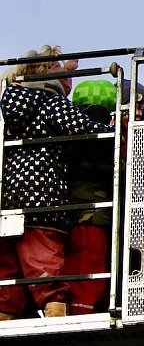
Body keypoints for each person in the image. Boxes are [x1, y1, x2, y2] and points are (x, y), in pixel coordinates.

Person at [0, 46, 112, 320]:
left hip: (6, 200)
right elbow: (85, 130)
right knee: (44, 264)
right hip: (43, 196)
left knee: (8, 270)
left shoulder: (8, 106)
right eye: (60, 70)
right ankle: (55, 312)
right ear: (46, 72)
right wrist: (117, 131)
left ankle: (5, 316)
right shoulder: (49, 102)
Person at [64, 78, 144, 315]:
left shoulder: (141, 142)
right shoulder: (103, 137)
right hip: (92, 217)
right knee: (88, 269)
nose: (140, 113)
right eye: (136, 106)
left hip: (119, 223)